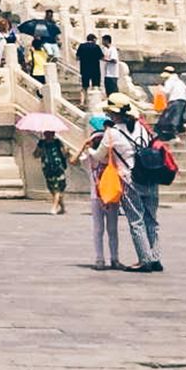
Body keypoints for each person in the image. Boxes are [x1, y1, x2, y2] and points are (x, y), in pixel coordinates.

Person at [103, 93, 162, 271]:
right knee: (151, 219)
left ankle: (144, 259)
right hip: (150, 176)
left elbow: (99, 155)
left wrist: (88, 149)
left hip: (129, 179)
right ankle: (155, 257)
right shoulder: (142, 127)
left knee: (136, 220)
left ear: (113, 114)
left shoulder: (112, 133)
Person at [78, 115, 121, 269]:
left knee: (107, 229)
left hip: (107, 196)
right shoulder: (91, 158)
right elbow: (74, 161)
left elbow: (76, 159)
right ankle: (102, 258)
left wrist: (85, 146)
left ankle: (111, 258)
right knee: (104, 229)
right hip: (102, 196)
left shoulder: (106, 157)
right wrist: (86, 147)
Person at [33, 130, 70, 215]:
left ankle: (54, 207)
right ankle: (63, 207)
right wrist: (40, 151)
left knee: (58, 188)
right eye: (46, 133)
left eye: (50, 133)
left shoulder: (57, 142)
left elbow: (64, 154)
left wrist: (66, 151)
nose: (48, 135)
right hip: (47, 168)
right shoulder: (41, 143)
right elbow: (35, 155)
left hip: (58, 168)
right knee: (52, 188)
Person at [158, 67, 186, 138]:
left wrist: (161, 88)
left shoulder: (169, 81)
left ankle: (175, 135)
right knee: (180, 117)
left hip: (175, 101)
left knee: (172, 118)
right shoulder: (180, 82)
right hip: (183, 101)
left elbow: (167, 91)